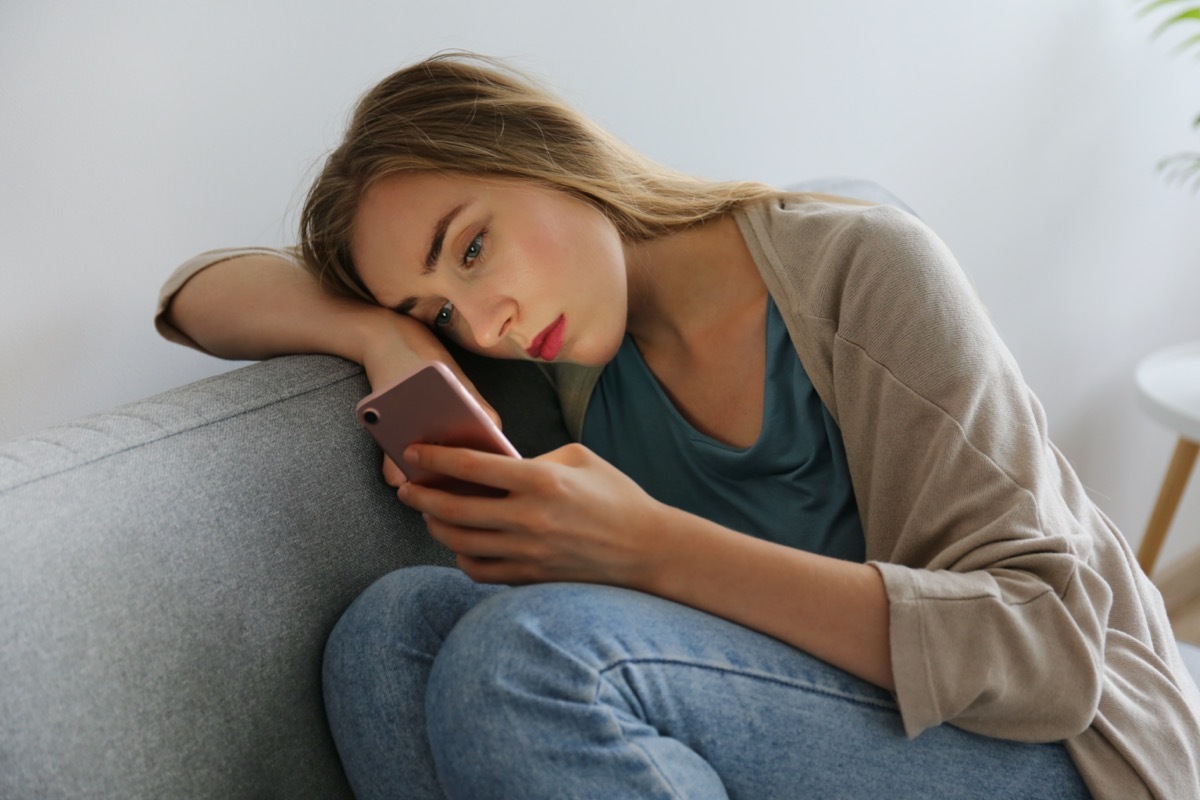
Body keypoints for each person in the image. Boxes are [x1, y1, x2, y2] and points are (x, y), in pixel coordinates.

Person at [155, 52, 1200, 799]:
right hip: (818, 716)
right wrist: (387, 339)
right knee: (386, 635)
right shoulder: (559, 358)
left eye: (472, 248)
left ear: (546, 150)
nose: (486, 324)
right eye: (438, 307)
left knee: (536, 655)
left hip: (1067, 744)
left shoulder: (862, 268)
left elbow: (1051, 648)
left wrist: (652, 549)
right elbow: (194, 294)